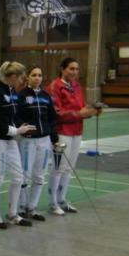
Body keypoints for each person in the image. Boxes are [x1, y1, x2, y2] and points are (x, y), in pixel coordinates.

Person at [48, 57, 101, 214]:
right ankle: (53, 203)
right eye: (71, 68)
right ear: (62, 69)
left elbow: (81, 108)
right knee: (58, 168)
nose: (74, 72)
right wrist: (80, 114)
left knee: (69, 168)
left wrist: (92, 110)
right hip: (61, 132)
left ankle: (62, 200)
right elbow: (57, 113)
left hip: (77, 132)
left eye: (76, 69)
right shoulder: (54, 86)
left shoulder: (76, 86)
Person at [0, 61, 36, 229]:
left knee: (18, 176)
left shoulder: (13, 91)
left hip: (10, 140)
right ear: (13, 76)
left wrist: (22, 125)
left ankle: (13, 214)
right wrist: (16, 131)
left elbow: (13, 115)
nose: (23, 81)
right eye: (22, 77)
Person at [17, 66, 58, 220]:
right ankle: (21, 207)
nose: (37, 78)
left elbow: (52, 118)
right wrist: (22, 126)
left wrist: (53, 136)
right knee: (25, 175)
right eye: (34, 75)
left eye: (40, 75)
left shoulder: (46, 96)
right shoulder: (21, 96)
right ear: (28, 77)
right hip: (27, 141)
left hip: (44, 140)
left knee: (40, 175)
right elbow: (16, 116)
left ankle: (32, 208)